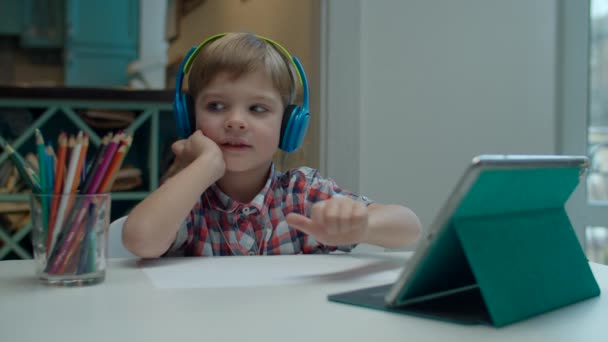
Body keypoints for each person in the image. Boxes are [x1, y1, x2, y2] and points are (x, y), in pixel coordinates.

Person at [123, 32, 421, 258]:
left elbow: (409, 227)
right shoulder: (187, 199)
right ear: (189, 117)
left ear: (289, 124)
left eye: (257, 109)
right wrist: (205, 165)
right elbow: (140, 239)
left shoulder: (302, 193)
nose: (236, 121)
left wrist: (361, 225)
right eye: (216, 106)